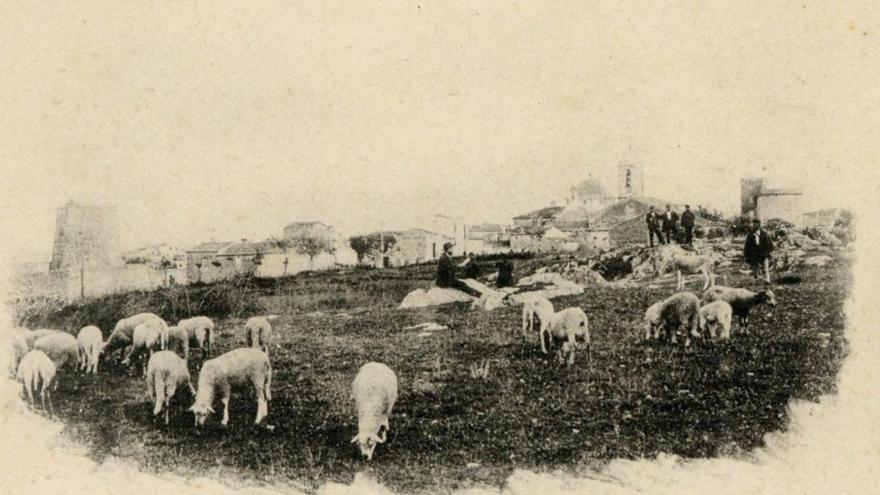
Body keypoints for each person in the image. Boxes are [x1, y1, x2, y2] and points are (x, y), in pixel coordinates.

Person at [744, 219, 774, 283]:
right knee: (755, 267)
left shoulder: (765, 233)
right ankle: (756, 279)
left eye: (755, 224)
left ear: (759, 224)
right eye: (753, 224)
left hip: (763, 252)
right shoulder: (750, 234)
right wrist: (746, 255)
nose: (754, 225)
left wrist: (768, 252)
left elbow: (770, 244)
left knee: (766, 267)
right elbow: (747, 246)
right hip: (754, 253)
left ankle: (767, 280)